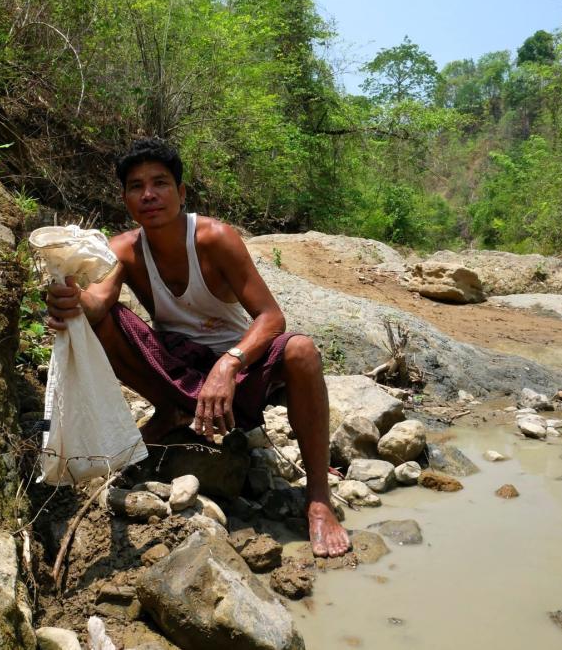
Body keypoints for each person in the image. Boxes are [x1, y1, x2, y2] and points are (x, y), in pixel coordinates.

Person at [46, 138, 349, 557]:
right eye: (136, 186)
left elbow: (271, 318)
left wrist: (229, 364)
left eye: (160, 183)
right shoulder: (124, 250)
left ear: (182, 192)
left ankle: (318, 496)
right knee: (99, 323)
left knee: (302, 351)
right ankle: (170, 409)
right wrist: (73, 300)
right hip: (179, 366)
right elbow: (99, 303)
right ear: (126, 198)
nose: (149, 195)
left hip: (238, 369)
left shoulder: (214, 238)